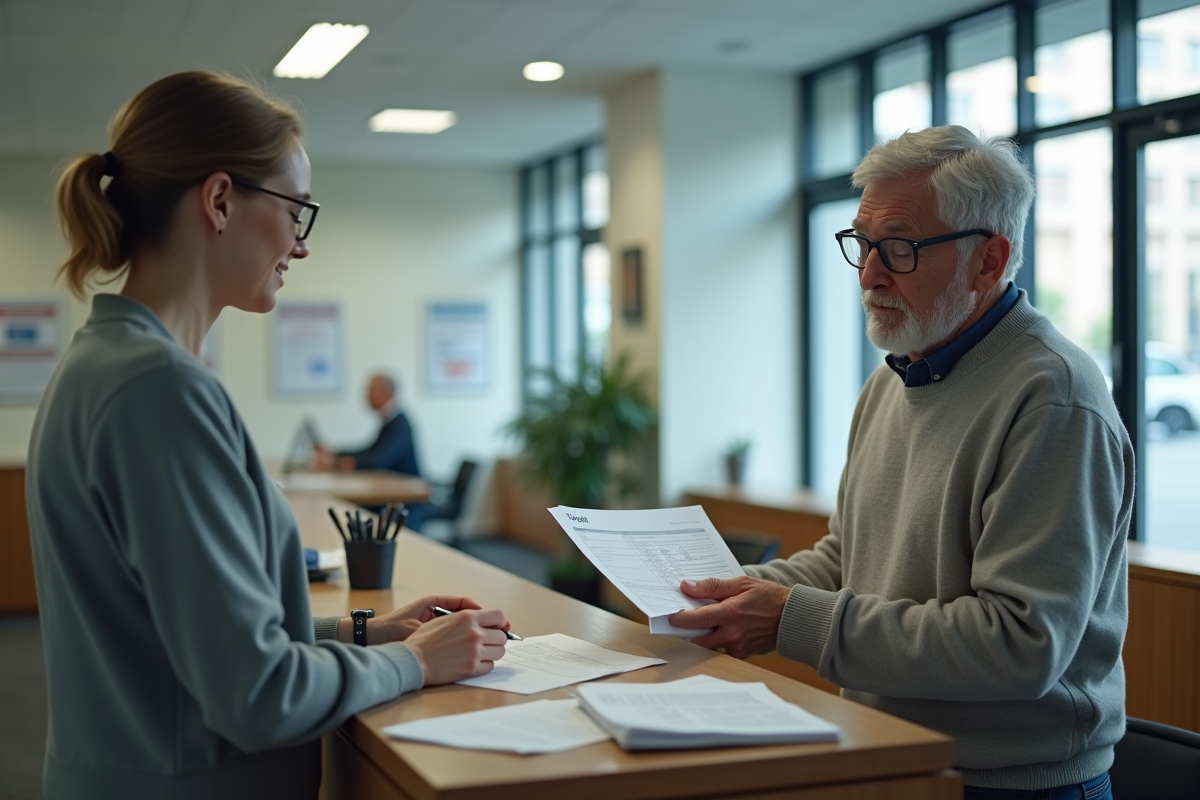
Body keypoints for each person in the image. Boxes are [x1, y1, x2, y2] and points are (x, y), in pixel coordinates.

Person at [27, 71, 509, 800]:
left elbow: (191, 641)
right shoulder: (158, 390)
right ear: (220, 200)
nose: (300, 245)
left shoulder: (108, 363)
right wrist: (417, 664)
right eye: (296, 211)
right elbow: (258, 695)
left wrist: (369, 634)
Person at [670, 126, 1133, 799]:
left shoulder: (1053, 396)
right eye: (862, 245)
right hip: (889, 752)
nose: (870, 273)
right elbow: (849, 557)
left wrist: (789, 616)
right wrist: (721, 592)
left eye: (901, 248)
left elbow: (1019, 645)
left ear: (988, 260)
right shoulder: (895, 375)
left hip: (1010, 784)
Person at [313, 372, 421, 476]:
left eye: (370, 392)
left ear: (385, 393)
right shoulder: (391, 421)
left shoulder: (399, 426)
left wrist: (338, 462)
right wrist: (336, 453)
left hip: (408, 490)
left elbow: (377, 461)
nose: (366, 397)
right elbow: (370, 452)